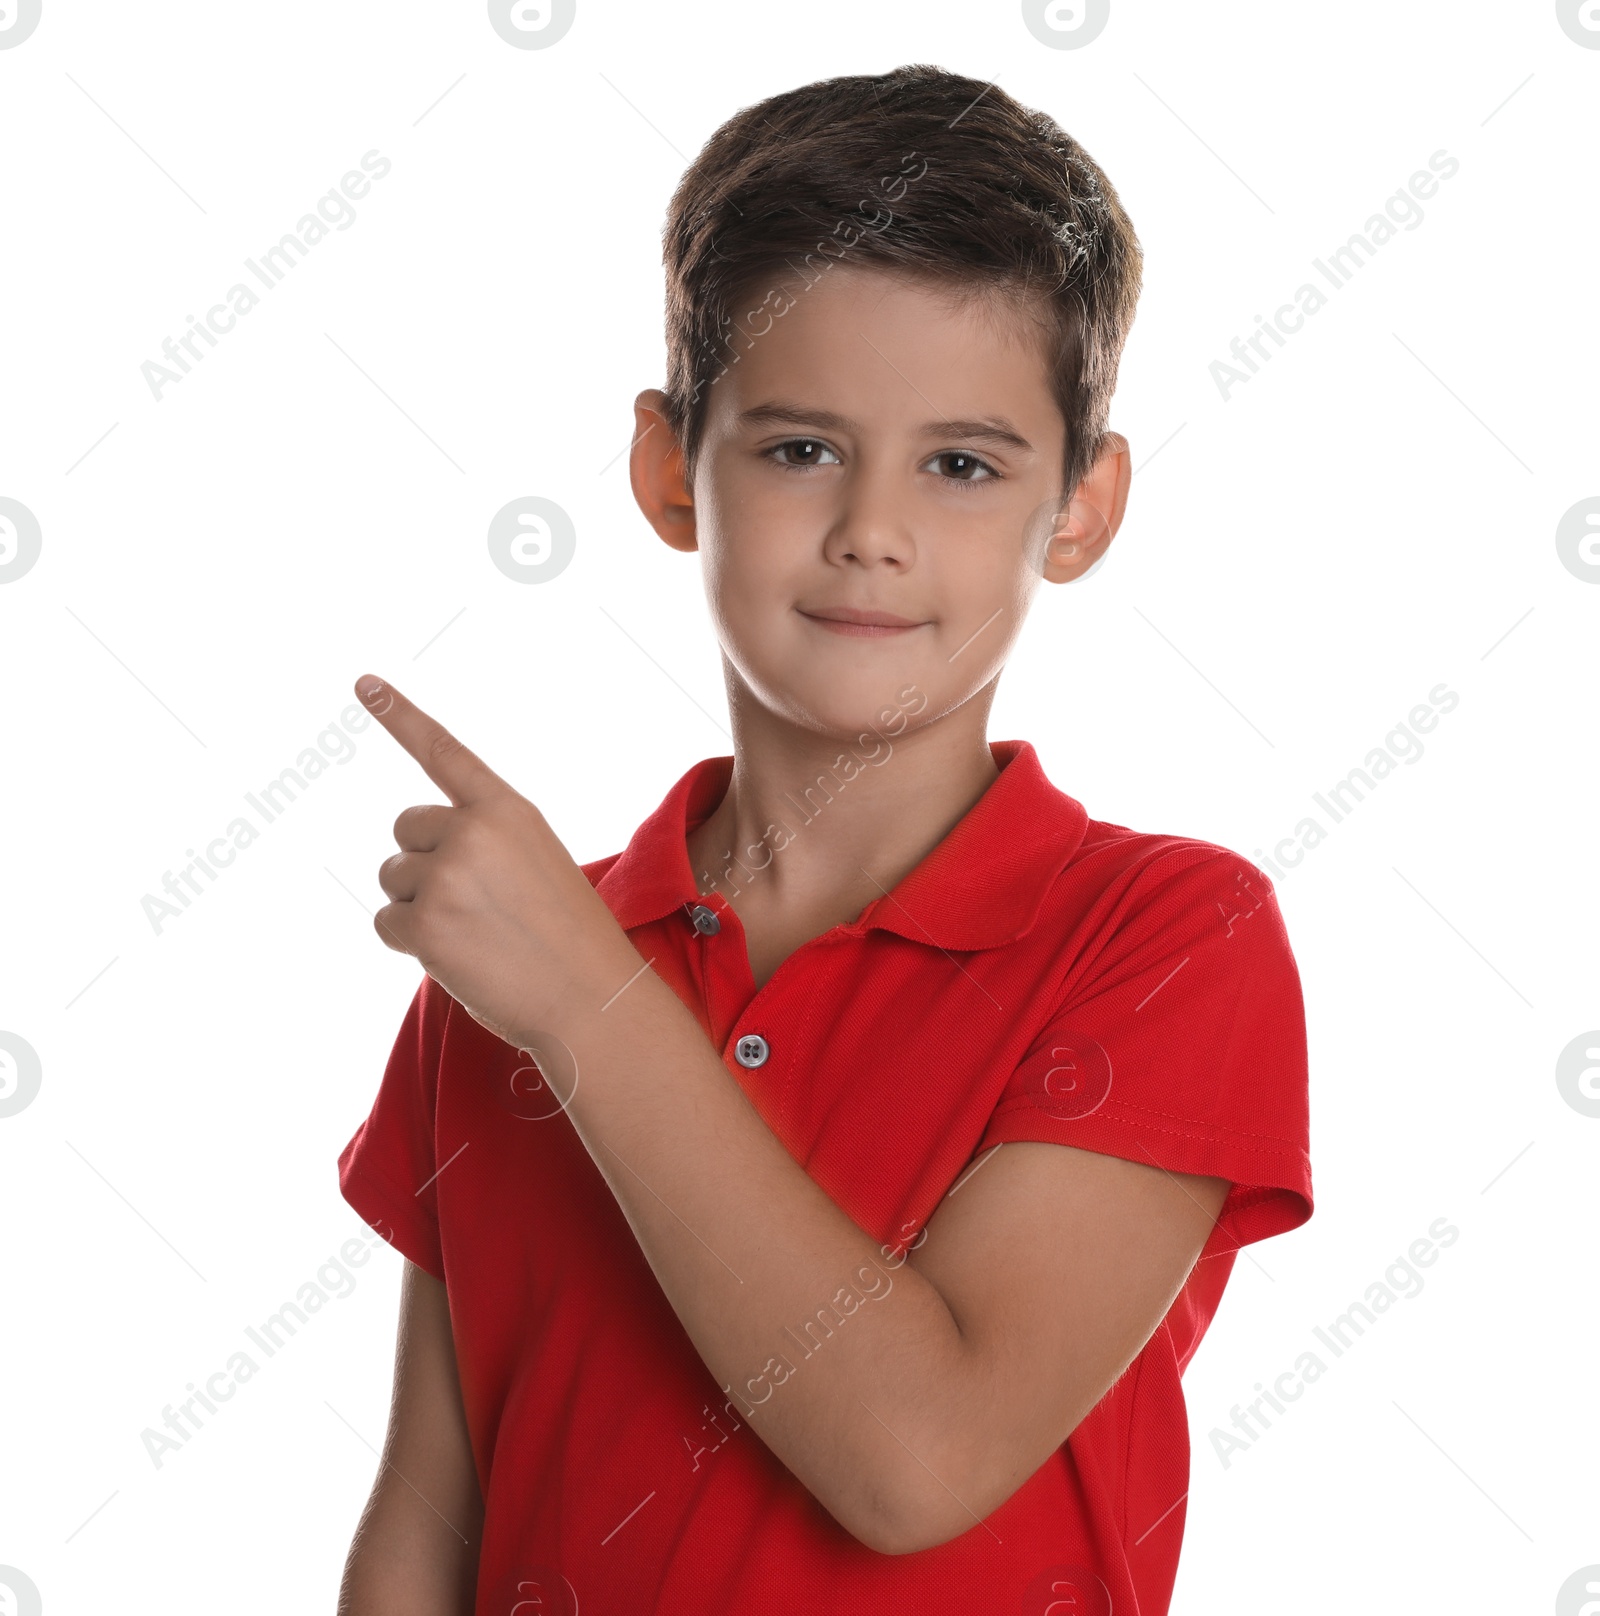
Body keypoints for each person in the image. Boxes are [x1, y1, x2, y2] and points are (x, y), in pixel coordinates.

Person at [334, 63, 1313, 1616]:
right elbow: (426, 1526)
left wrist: (588, 1004)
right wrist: (557, 977)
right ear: (670, 469)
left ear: (1082, 506)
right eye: (798, 448)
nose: (872, 524)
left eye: (963, 463)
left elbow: (915, 1459)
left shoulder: (1169, 934)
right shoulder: (517, 960)